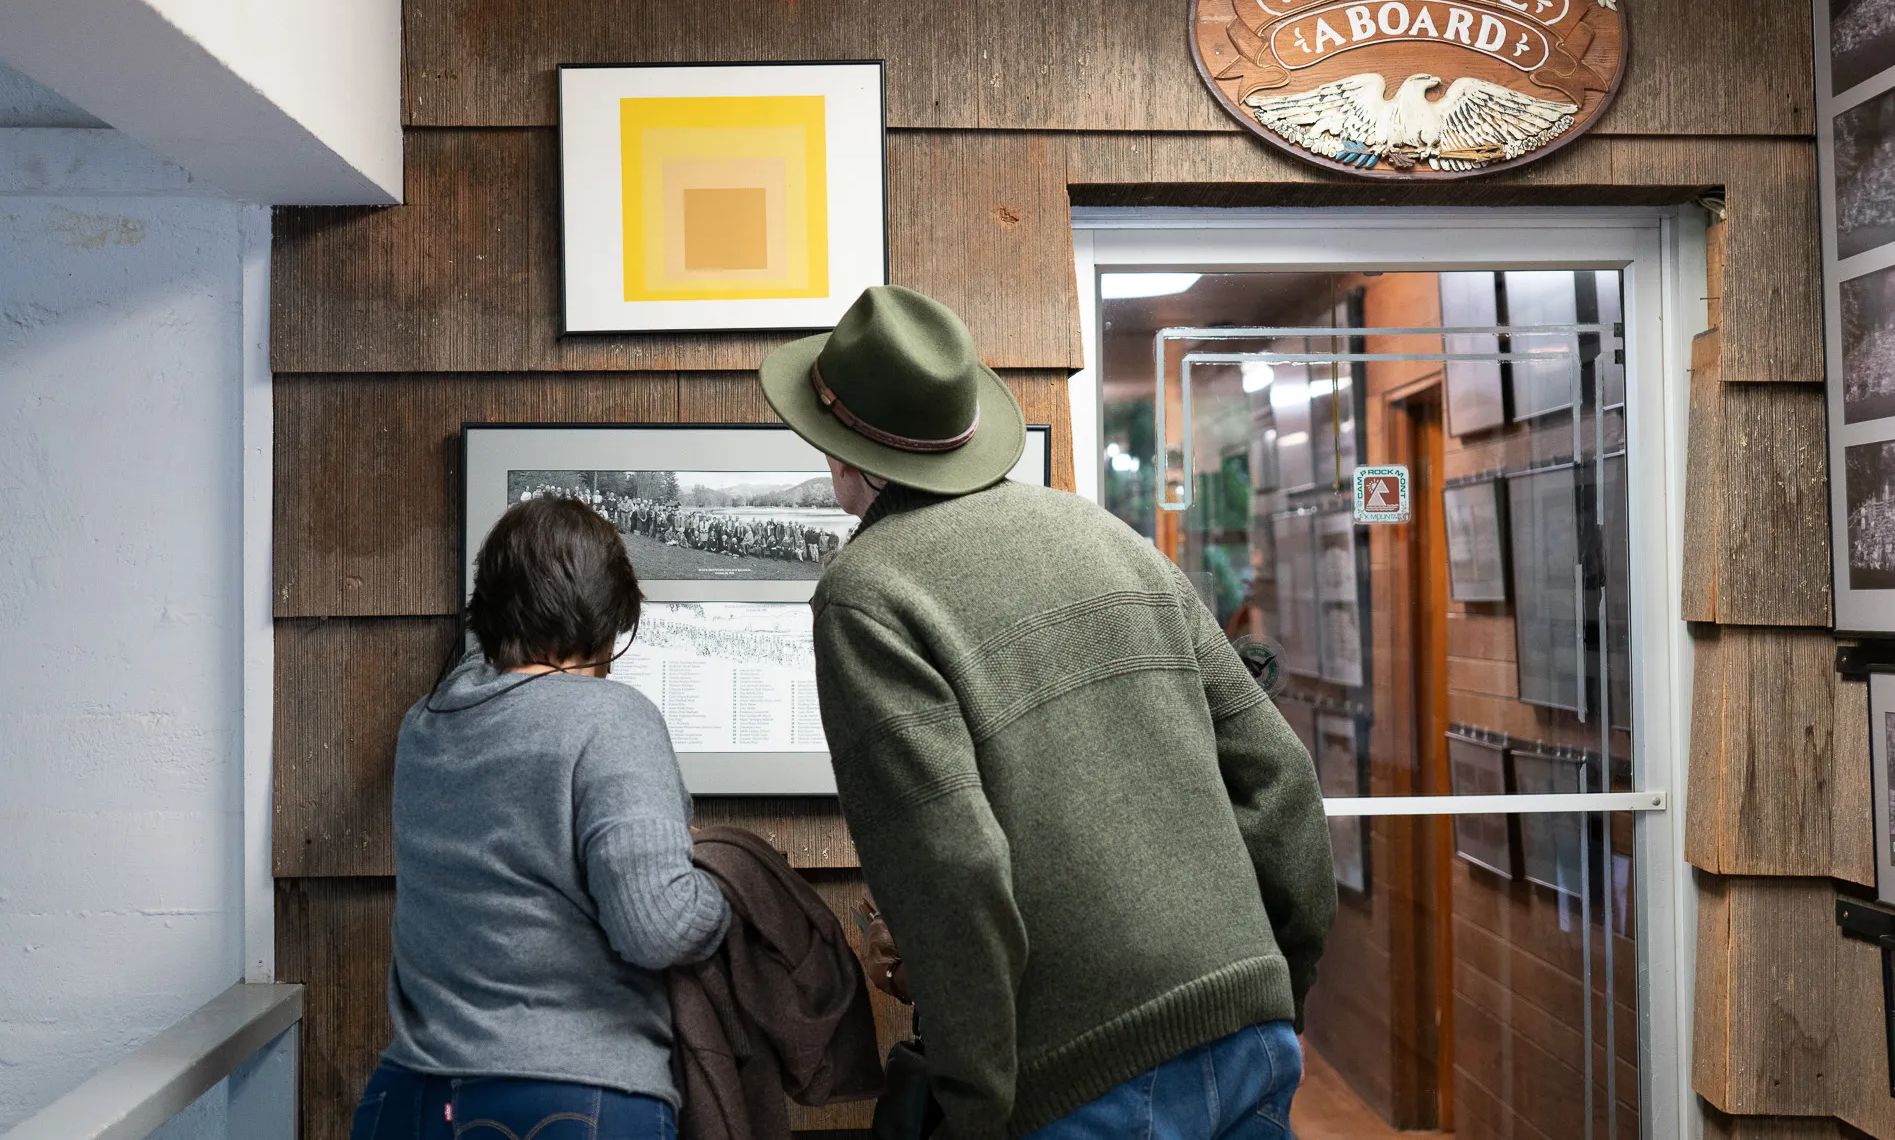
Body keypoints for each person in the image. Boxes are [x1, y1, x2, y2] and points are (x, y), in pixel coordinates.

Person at [759, 286, 1337, 1140]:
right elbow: (1280, 780)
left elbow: (950, 869)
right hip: (1247, 1026)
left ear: (846, 456)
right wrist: (1272, 986)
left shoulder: (868, 591)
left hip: (1083, 1076)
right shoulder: (1104, 534)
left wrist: (978, 1108)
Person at [352, 495, 731, 1140]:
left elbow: (499, 677)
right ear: (609, 617)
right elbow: (657, 928)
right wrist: (723, 894)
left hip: (409, 1097)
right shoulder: (610, 718)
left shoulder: (427, 724)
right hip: (569, 1097)